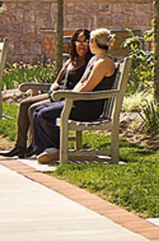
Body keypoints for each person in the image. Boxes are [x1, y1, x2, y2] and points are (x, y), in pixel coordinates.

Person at [27, 27, 117, 164]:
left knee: (44, 114)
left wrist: (69, 98)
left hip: (88, 108)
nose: (88, 43)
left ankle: (54, 149)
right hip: (78, 102)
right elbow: (81, 83)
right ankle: (48, 149)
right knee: (38, 110)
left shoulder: (104, 63)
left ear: (93, 41)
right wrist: (68, 96)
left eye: (89, 41)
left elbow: (87, 89)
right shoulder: (94, 60)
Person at [0, 30, 92, 158]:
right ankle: (20, 146)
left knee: (33, 109)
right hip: (56, 94)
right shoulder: (71, 61)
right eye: (78, 41)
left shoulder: (89, 64)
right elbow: (57, 81)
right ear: (74, 43)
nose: (81, 45)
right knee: (24, 104)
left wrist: (59, 94)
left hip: (67, 97)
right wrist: (53, 89)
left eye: (85, 42)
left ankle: (34, 146)